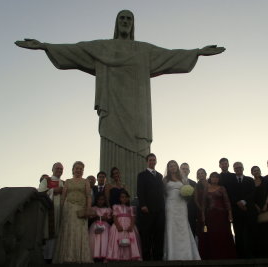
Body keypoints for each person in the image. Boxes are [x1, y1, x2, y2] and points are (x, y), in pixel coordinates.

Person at [15, 10, 225, 197]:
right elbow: (76, 50)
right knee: (111, 149)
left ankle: (138, 198)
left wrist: (196, 52)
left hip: (138, 111)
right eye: (122, 18)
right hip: (113, 107)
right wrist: (45, 46)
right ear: (116, 23)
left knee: (140, 152)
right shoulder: (103, 47)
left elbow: (170, 55)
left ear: (133, 24)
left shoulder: (144, 50)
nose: (125, 21)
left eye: (129, 19)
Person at [53, 161, 93, 263]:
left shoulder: (86, 182)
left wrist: (88, 208)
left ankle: (80, 257)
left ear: (83, 171)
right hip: (69, 209)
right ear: (73, 169)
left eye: (81, 169)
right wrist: (61, 210)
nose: (78, 170)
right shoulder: (67, 181)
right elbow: (63, 196)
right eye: (77, 168)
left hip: (81, 209)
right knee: (69, 231)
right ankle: (67, 257)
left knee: (80, 231)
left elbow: (88, 196)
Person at [163, 160, 200, 260]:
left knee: (183, 228)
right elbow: (163, 194)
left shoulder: (182, 179)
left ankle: (187, 254)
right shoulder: (165, 180)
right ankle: (172, 254)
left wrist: (187, 194)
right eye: (170, 166)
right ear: (168, 168)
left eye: (174, 165)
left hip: (182, 205)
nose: (173, 167)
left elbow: (187, 191)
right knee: (172, 227)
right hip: (171, 204)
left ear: (177, 167)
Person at [201, 172, 237, 259]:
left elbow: (227, 202)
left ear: (219, 179)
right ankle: (213, 256)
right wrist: (203, 215)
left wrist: (230, 214)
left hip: (222, 215)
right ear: (210, 178)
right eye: (213, 177)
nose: (215, 179)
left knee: (224, 234)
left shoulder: (222, 188)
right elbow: (204, 204)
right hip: (210, 216)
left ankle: (226, 256)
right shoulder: (206, 188)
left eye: (217, 177)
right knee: (212, 235)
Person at [136, 153, 165, 261]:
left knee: (159, 233)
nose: (152, 162)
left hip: (159, 209)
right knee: (146, 233)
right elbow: (140, 191)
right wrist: (143, 204)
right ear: (147, 162)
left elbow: (161, 192)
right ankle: (147, 257)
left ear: (156, 161)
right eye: (150, 160)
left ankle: (158, 256)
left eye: (154, 160)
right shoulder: (142, 175)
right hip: (147, 209)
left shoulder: (160, 176)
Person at [37, 162, 64, 263]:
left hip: (61, 212)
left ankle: (55, 257)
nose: (59, 170)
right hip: (49, 212)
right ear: (52, 169)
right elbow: (40, 192)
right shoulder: (46, 180)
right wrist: (54, 191)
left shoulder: (64, 182)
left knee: (58, 234)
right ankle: (46, 258)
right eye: (57, 168)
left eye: (61, 169)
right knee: (48, 234)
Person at [230, 162, 256, 259]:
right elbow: (230, 194)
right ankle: (240, 255)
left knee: (250, 232)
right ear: (234, 169)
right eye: (236, 168)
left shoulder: (249, 180)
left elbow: (253, 192)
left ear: (243, 168)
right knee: (238, 233)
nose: (238, 169)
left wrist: (245, 202)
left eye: (239, 167)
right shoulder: (231, 182)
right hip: (236, 212)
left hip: (249, 210)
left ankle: (251, 254)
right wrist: (238, 202)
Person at [106, 190, 142, 261]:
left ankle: (130, 255)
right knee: (117, 239)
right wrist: (118, 226)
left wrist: (131, 226)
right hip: (119, 225)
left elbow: (133, 217)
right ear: (119, 198)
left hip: (129, 224)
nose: (124, 199)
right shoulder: (116, 206)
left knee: (131, 239)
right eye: (122, 197)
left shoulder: (131, 208)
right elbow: (115, 217)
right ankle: (117, 255)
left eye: (125, 197)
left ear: (128, 198)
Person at [251, 166, 268, 258]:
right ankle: (264, 253)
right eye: (254, 171)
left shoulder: (266, 180)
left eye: (257, 170)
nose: (256, 172)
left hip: (267, 207)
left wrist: (265, 204)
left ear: (260, 171)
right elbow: (251, 197)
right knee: (260, 232)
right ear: (252, 173)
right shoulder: (251, 183)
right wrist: (257, 207)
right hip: (256, 209)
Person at [89, 194, 112, 262]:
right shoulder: (93, 208)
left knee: (105, 239)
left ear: (105, 200)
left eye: (102, 200)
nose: (100, 201)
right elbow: (91, 218)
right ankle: (95, 254)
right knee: (95, 240)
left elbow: (110, 219)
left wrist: (106, 218)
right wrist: (100, 217)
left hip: (105, 227)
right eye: (99, 200)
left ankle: (104, 255)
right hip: (95, 225)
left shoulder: (108, 209)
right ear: (96, 200)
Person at [180, 162, 198, 238]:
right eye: (183, 169)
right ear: (179, 170)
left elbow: (196, 199)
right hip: (179, 210)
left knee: (192, 230)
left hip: (191, 211)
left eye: (187, 169)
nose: (185, 170)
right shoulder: (176, 182)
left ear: (189, 171)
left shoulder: (194, 183)